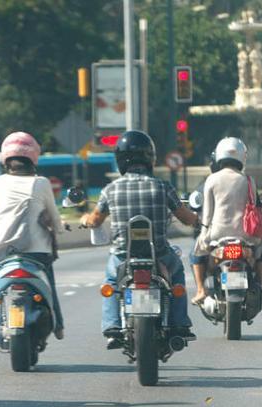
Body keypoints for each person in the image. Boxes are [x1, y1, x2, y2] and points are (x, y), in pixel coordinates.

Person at [80, 130, 199, 349]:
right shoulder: (163, 187)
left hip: (123, 256)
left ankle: (113, 327)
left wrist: (85, 219)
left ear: (120, 160)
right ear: (150, 158)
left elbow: (95, 220)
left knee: (112, 282)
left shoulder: (110, 189)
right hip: (159, 255)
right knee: (177, 275)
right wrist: (197, 219)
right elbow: (186, 218)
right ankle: (179, 323)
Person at [0, 132, 66, 340]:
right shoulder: (41, 183)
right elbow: (55, 219)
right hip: (37, 253)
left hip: (0, 252)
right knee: (49, 283)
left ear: (6, 159)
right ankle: (59, 326)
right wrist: (60, 228)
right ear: (33, 158)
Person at [190, 137, 262, 305]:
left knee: (195, 253)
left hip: (217, 235)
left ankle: (200, 290)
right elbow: (254, 209)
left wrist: (204, 234)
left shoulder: (212, 179)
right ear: (242, 157)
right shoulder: (248, 180)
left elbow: (208, 214)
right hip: (246, 236)